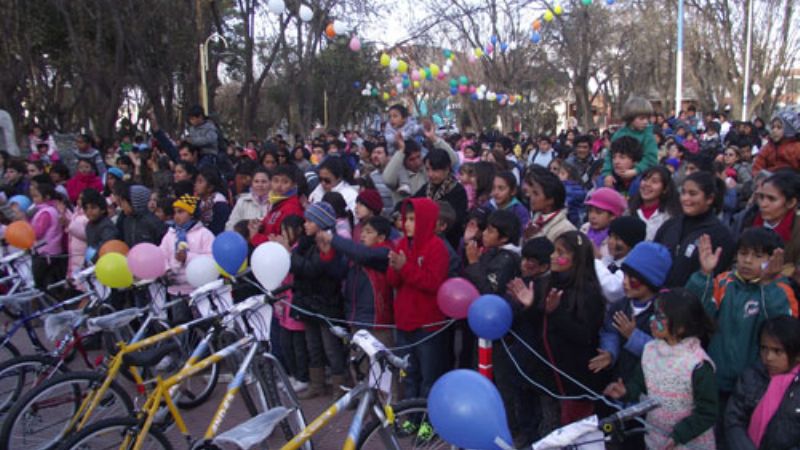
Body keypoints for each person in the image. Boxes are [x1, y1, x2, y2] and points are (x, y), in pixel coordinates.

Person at [507, 231, 606, 426]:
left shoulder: (588, 292)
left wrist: (556, 312)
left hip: (574, 378)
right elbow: (538, 323)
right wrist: (530, 305)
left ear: (576, 259)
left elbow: (584, 336)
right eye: (554, 251)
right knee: (547, 423)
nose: (553, 256)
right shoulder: (547, 283)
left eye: (560, 253)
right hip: (547, 372)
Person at [687, 230, 796, 402]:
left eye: (758, 256)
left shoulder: (781, 290)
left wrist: (767, 284)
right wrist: (704, 275)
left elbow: (782, 330)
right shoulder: (724, 282)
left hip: (757, 385)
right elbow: (695, 315)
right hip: (716, 377)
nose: (747, 261)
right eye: (743, 253)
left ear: (774, 260)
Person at [603, 288, 718, 450]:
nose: (652, 319)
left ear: (681, 327)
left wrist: (679, 435)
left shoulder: (697, 364)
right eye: (654, 313)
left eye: (660, 317)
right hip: (655, 440)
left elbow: (707, 413)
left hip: (688, 444)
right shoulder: (649, 350)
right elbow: (640, 384)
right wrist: (626, 392)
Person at [281, 201, 347, 400]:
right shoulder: (305, 242)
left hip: (326, 302)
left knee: (331, 347)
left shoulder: (327, 243)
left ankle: (340, 387)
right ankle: (316, 383)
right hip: (308, 300)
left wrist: (288, 254)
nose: (305, 225)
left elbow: (312, 269)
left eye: (310, 221)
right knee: (313, 345)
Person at [387, 198, 449, 405]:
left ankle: (426, 425)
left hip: (427, 325)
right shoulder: (402, 243)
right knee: (408, 374)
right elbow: (394, 282)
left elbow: (433, 283)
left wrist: (405, 267)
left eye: (413, 219)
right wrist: (394, 267)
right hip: (404, 321)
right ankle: (409, 418)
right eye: (406, 219)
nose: (406, 224)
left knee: (428, 377)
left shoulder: (437, 247)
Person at [590, 242, 673, 383]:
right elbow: (610, 331)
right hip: (618, 380)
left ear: (650, 282)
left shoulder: (663, 312)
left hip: (647, 386)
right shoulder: (620, 305)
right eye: (624, 276)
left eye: (633, 281)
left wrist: (633, 336)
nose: (625, 283)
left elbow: (665, 351)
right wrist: (610, 352)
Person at [724, 315, 800, 450]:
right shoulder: (751, 377)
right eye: (764, 348)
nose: (768, 357)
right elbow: (734, 420)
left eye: (777, 351)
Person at [320, 215, 394, 344]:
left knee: (376, 362)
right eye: (363, 231)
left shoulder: (385, 252)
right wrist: (328, 255)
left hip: (376, 322)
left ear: (381, 238)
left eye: (369, 232)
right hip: (355, 317)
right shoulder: (357, 253)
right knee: (356, 362)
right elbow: (339, 273)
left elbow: (363, 255)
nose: (363, 235)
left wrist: (333, 239)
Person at [655, 171, 736, 287]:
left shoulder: (720, 235)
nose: (685, 198)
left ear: (709, 198)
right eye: (683, 193)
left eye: (692, 194)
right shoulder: (670, 225)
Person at [733, 171, 800, 276]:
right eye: (761, 197)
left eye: (771, 199)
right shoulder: (746, 220)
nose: (763, 204)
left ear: (791, 202)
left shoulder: (797, 231)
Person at [158, 194, 214, 296]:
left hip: (198, 289)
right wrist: (167, 270)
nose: (176, 216)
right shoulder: (170, 234)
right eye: (174, 212)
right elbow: (161, 254)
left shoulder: (204, 234)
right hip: (175, 290)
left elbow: (211, 258)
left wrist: (187, 257)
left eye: (180, 212)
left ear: (191, 214)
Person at [414, 148, 468, 248]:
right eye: (427, 169)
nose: (430, 174)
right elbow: (413, 203)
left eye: (435, 170)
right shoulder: (427, 188)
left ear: (447, 169)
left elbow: (455, 222)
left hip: (447, 244)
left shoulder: (457, 191)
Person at [601, 96, 658, 186]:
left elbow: (651, 159)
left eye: (647, 118)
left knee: (638, 185)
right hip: (617, 173)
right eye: (642, 118)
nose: (646, 122)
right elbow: (610, 155)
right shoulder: (619, 134)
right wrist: (607, 173)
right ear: (631, 118)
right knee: (602, 182)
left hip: (638, 173)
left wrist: (635, 171)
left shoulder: (648, 136)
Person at [594, 216, 648, 305]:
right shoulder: (607, 261)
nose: (611, 242)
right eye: (610, 236)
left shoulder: (632, 267)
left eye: (617, 239)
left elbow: (612, 290)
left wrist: (595, 261)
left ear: (631, 242)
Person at [249, 165, 305, 246]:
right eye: (275, 181)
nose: (279, 185)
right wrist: (259, 225)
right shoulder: (276, 201)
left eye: (285, 182)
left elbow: (284, 242)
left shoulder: (292, 208)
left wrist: (255, 237)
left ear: (293, 185)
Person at [522, 166, 576, 243]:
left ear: (550, 200)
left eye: (536, 194)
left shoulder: (565, 229)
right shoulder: (536, 219)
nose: (531, 197)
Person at [29, 176, 65, 289]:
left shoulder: (45, 212)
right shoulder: (50, 210)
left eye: (37, 196)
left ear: (47, 197)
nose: (34, 199)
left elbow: (38, 232)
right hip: (52, 250)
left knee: (41, 282)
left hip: (45, 252)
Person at [628, 166, 681, 241]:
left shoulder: (671, 216)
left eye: (654, 181)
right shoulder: (628, 210)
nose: (647, 184)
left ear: (665, 189)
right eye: (645, 179)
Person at [580, 187, 628, 262]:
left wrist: (598, 258)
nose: (592, 216)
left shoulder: (615, 239)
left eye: (598, 212)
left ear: (613, 216)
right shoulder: (584, 228)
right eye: (590, 211)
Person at [752, 109, 800, 177]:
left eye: (779, 127)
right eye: (773, 127)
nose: (774, 130)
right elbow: (757, 167)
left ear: (790, 130)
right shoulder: (768, 147)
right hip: (769, 183)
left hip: (791, 183)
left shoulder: (797, 148)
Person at [82, 188, 118, 263]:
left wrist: (91, 259)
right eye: (86, 208)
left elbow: (106, 247)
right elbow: (90, 247)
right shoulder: (89, 225)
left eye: (93, 208)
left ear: (103, 209)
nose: (89, 211)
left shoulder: (107, 226)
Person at [194, 167, 231, 235]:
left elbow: (219, 230)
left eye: (200, 182)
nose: (196, 185)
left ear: (210, 187)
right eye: (196, 181)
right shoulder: (199, 202)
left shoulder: (220, 205)